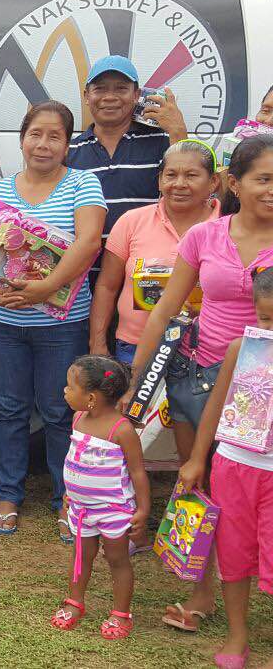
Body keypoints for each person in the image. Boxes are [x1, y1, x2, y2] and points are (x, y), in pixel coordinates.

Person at [132, 135, 273, 636]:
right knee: (203, 486)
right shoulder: (204, 237)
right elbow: (166, 309)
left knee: (258, 492)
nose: (271, 189)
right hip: (199, 374)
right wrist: (135, 384)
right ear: (235, 184)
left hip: (265, 389)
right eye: (263, 179)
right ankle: (202, 590)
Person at [0, 101, 105, 537]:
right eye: (36, 134)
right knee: (9, 409)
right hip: (4, 323)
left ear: (68, 144)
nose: (44, 144)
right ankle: (8, 495)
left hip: (63, 324)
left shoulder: (82, 184)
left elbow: (88, 243)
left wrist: (47, 288)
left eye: (55, 136)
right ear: (22, 139)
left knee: (58, 411)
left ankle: (67, 498)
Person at [175, 267, 273, 667]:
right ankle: (237, 635)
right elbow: (215, 406)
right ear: (254, 313)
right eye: (266, 318)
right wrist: (198, 458)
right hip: (235, 464)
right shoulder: (240, 350)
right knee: (233, 553)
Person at [89, 141, 220, 366]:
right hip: (135, 346)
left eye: (191, 175)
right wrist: (98, 343)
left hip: (205, 351)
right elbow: (107, 287)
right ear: (160, 180)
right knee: (135, 402)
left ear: (213, 182)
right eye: (170, 175)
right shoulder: (132, 221)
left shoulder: (228, 227)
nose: (179, 184)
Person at [50, 356, 148, 640]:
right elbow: (77, 459)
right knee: (81, 555)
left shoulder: (122, 430)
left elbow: (138, 473)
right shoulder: (78, 419)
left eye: (70, 387)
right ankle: (75, 601)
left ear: (91, 397)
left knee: (117, 559)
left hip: (113, 509)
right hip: (82, 508)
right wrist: (73, 490)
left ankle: (120, 613)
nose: (65, 391)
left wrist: (142, 509)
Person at [66, 56, 187, 265]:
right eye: (100, 89)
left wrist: (178, 131)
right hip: (84, 278)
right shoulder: (69, 152)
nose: (110, 97)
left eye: (121, 89)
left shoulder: (163, 142)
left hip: (147, 274)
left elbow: (192, 192)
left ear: (137, 95)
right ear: (87, 96)